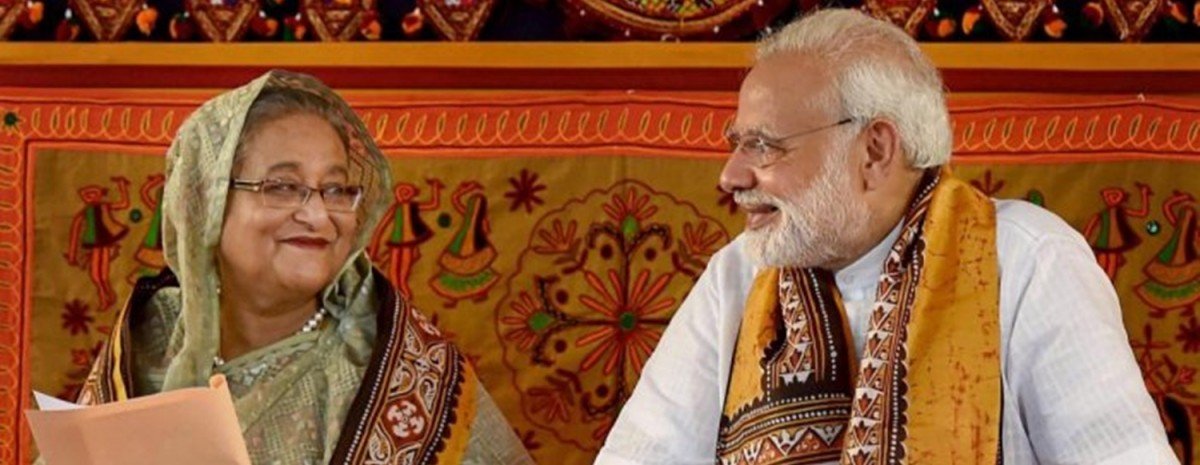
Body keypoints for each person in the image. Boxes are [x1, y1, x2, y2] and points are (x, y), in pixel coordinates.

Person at [597, 9, 1176, 465]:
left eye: (764, 146)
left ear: (874, 150)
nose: (731, 176)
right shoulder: (738, 274)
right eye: (737, 144)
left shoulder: (1027, 260)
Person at [71, 70, 532, 465]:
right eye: (283, 186)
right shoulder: (148, 340)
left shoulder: (402, 373)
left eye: (336, 189)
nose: (318, 216)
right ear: (207, 204)